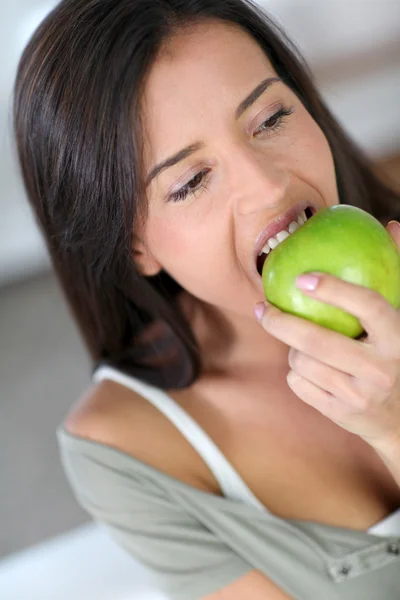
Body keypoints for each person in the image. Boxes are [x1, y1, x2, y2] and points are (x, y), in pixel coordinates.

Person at [13, 1, 400, 598]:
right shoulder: (129, 449)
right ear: (134, 245)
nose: (267, 185)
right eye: (190, 181)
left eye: (270, 118)